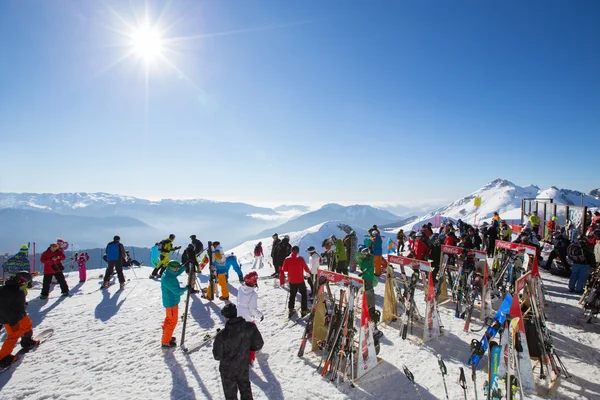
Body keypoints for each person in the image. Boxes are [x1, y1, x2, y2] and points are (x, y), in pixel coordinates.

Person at [213, 303, 264, 400]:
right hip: (242, 366)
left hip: (227, 371)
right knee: (245, 390)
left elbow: (217, 356)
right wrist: (247, 348)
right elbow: (258, 344)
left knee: (231, 395)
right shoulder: (249, 327)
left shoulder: (222, 335)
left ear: (226, 317)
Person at [0, 272, 39, 368]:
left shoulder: (10, 288)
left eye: (26, 280)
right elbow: (7, 308)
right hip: (11, 318)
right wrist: (13, 319)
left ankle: (27, 341)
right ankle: (3, 358)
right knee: (13, 335)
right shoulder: (12, 291)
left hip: (15, 315)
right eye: (22, 279)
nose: (23, 281)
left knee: (27, 324)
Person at [237, 271, 263, 366]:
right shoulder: (253, 294)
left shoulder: (240, 288)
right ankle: (250, 358)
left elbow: (238, 301)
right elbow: (252, 309)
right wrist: (260, 315)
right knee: (252, 338)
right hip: (248, 319)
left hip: (239, 316)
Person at [160, 261, 188, 348]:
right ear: (172, 268)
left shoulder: (168, 273)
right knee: (172, 322)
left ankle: (166, 335)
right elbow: (177, 291)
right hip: (171, 304)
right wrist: (187, 288)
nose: (177, 270)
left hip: (170, 303)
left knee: (169, 319)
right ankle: (165, 342)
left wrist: (185, 266)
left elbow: (177, 272)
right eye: (176, 268)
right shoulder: (168, 279)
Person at [355, 246, 382, 337]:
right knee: (366, 290)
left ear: (367, 253)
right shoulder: (366, 259)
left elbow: (368, 267)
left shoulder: (370, 259)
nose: (363, 255)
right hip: (365, 277)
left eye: (364, 254)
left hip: (368, 277)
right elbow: (362, 266)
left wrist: (364, 271)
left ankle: (370, 307)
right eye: (362, 254)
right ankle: (367, 303)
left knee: (369, 290)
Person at [281, 246, 311, 318]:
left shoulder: (287, 259)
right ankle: (304, 310)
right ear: (298, 251)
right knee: (303, 294)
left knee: (292, 294)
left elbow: (284, 269)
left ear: (292, 251)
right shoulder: (300, 259)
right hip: (300, 280)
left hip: (291, 280)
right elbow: (306, 268)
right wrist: (310, 273)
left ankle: (291, 310)